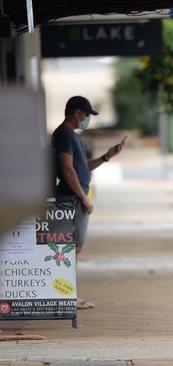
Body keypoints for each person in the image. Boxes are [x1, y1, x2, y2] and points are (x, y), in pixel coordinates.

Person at [52, 96, 124, 310]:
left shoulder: (72, 137)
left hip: (76, 198)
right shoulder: (64, 134)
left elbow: (82, 167)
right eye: (85, 115)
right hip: (72, 200)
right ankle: (65, 295)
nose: (86, 119)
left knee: (74, 246)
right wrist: (83, 198)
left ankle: (67, 293)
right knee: (68, 248)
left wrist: (106, 157)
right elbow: (67, 168)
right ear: (76, 113)